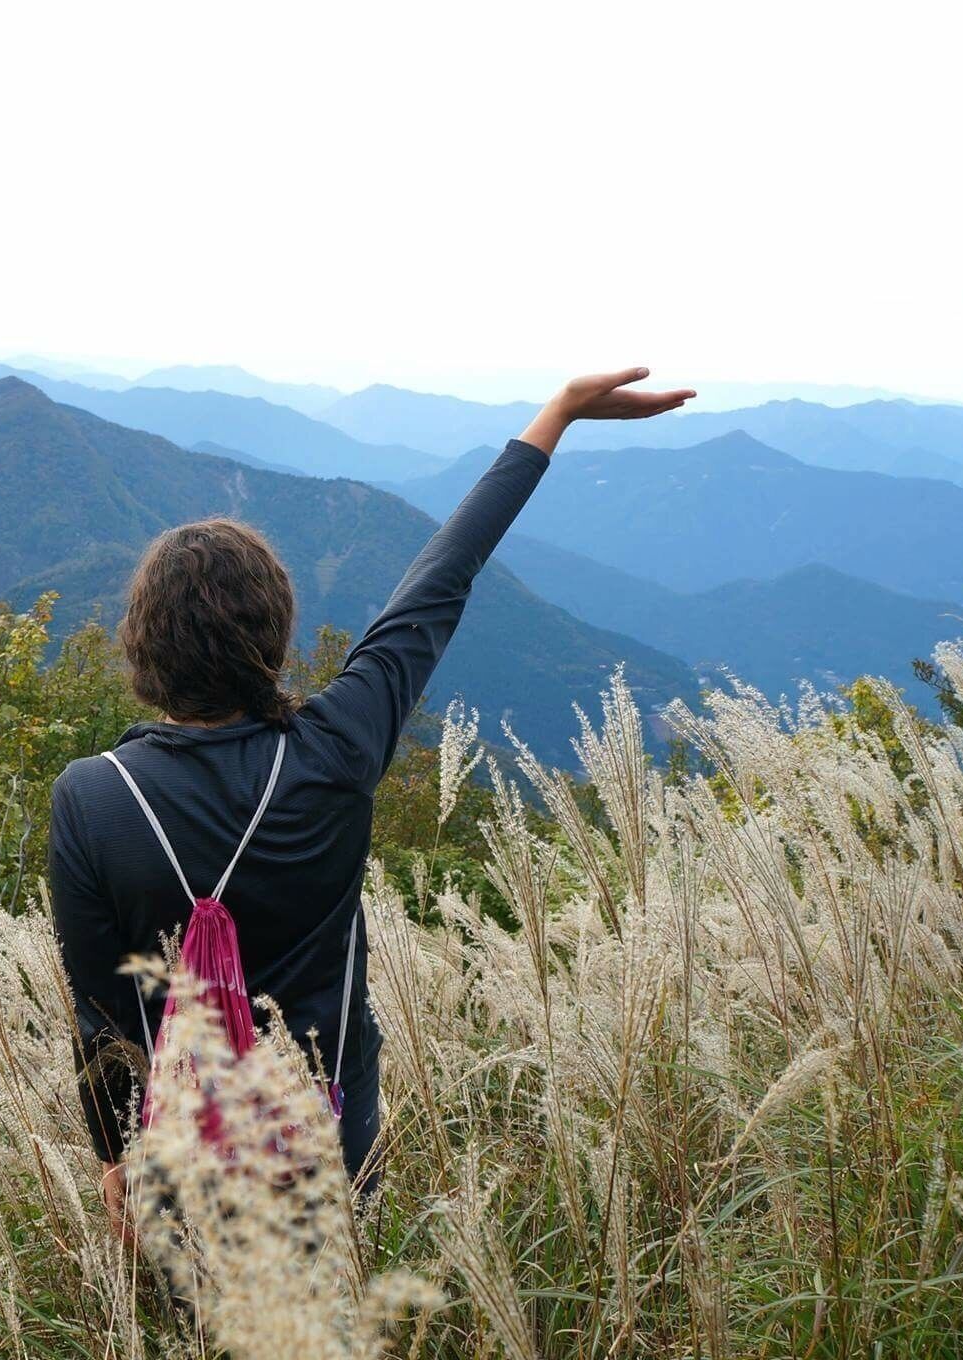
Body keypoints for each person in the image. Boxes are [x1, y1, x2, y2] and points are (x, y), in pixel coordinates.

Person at [48, 367, 694, 1240]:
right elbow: (441, 578)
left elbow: (102, 1012)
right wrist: (558, 414)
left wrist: (114, 1154)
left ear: (140, 645)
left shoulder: (92, 797)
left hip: (181, 1163)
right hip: (332, 1136)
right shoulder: (337, 748)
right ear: (273, 635)